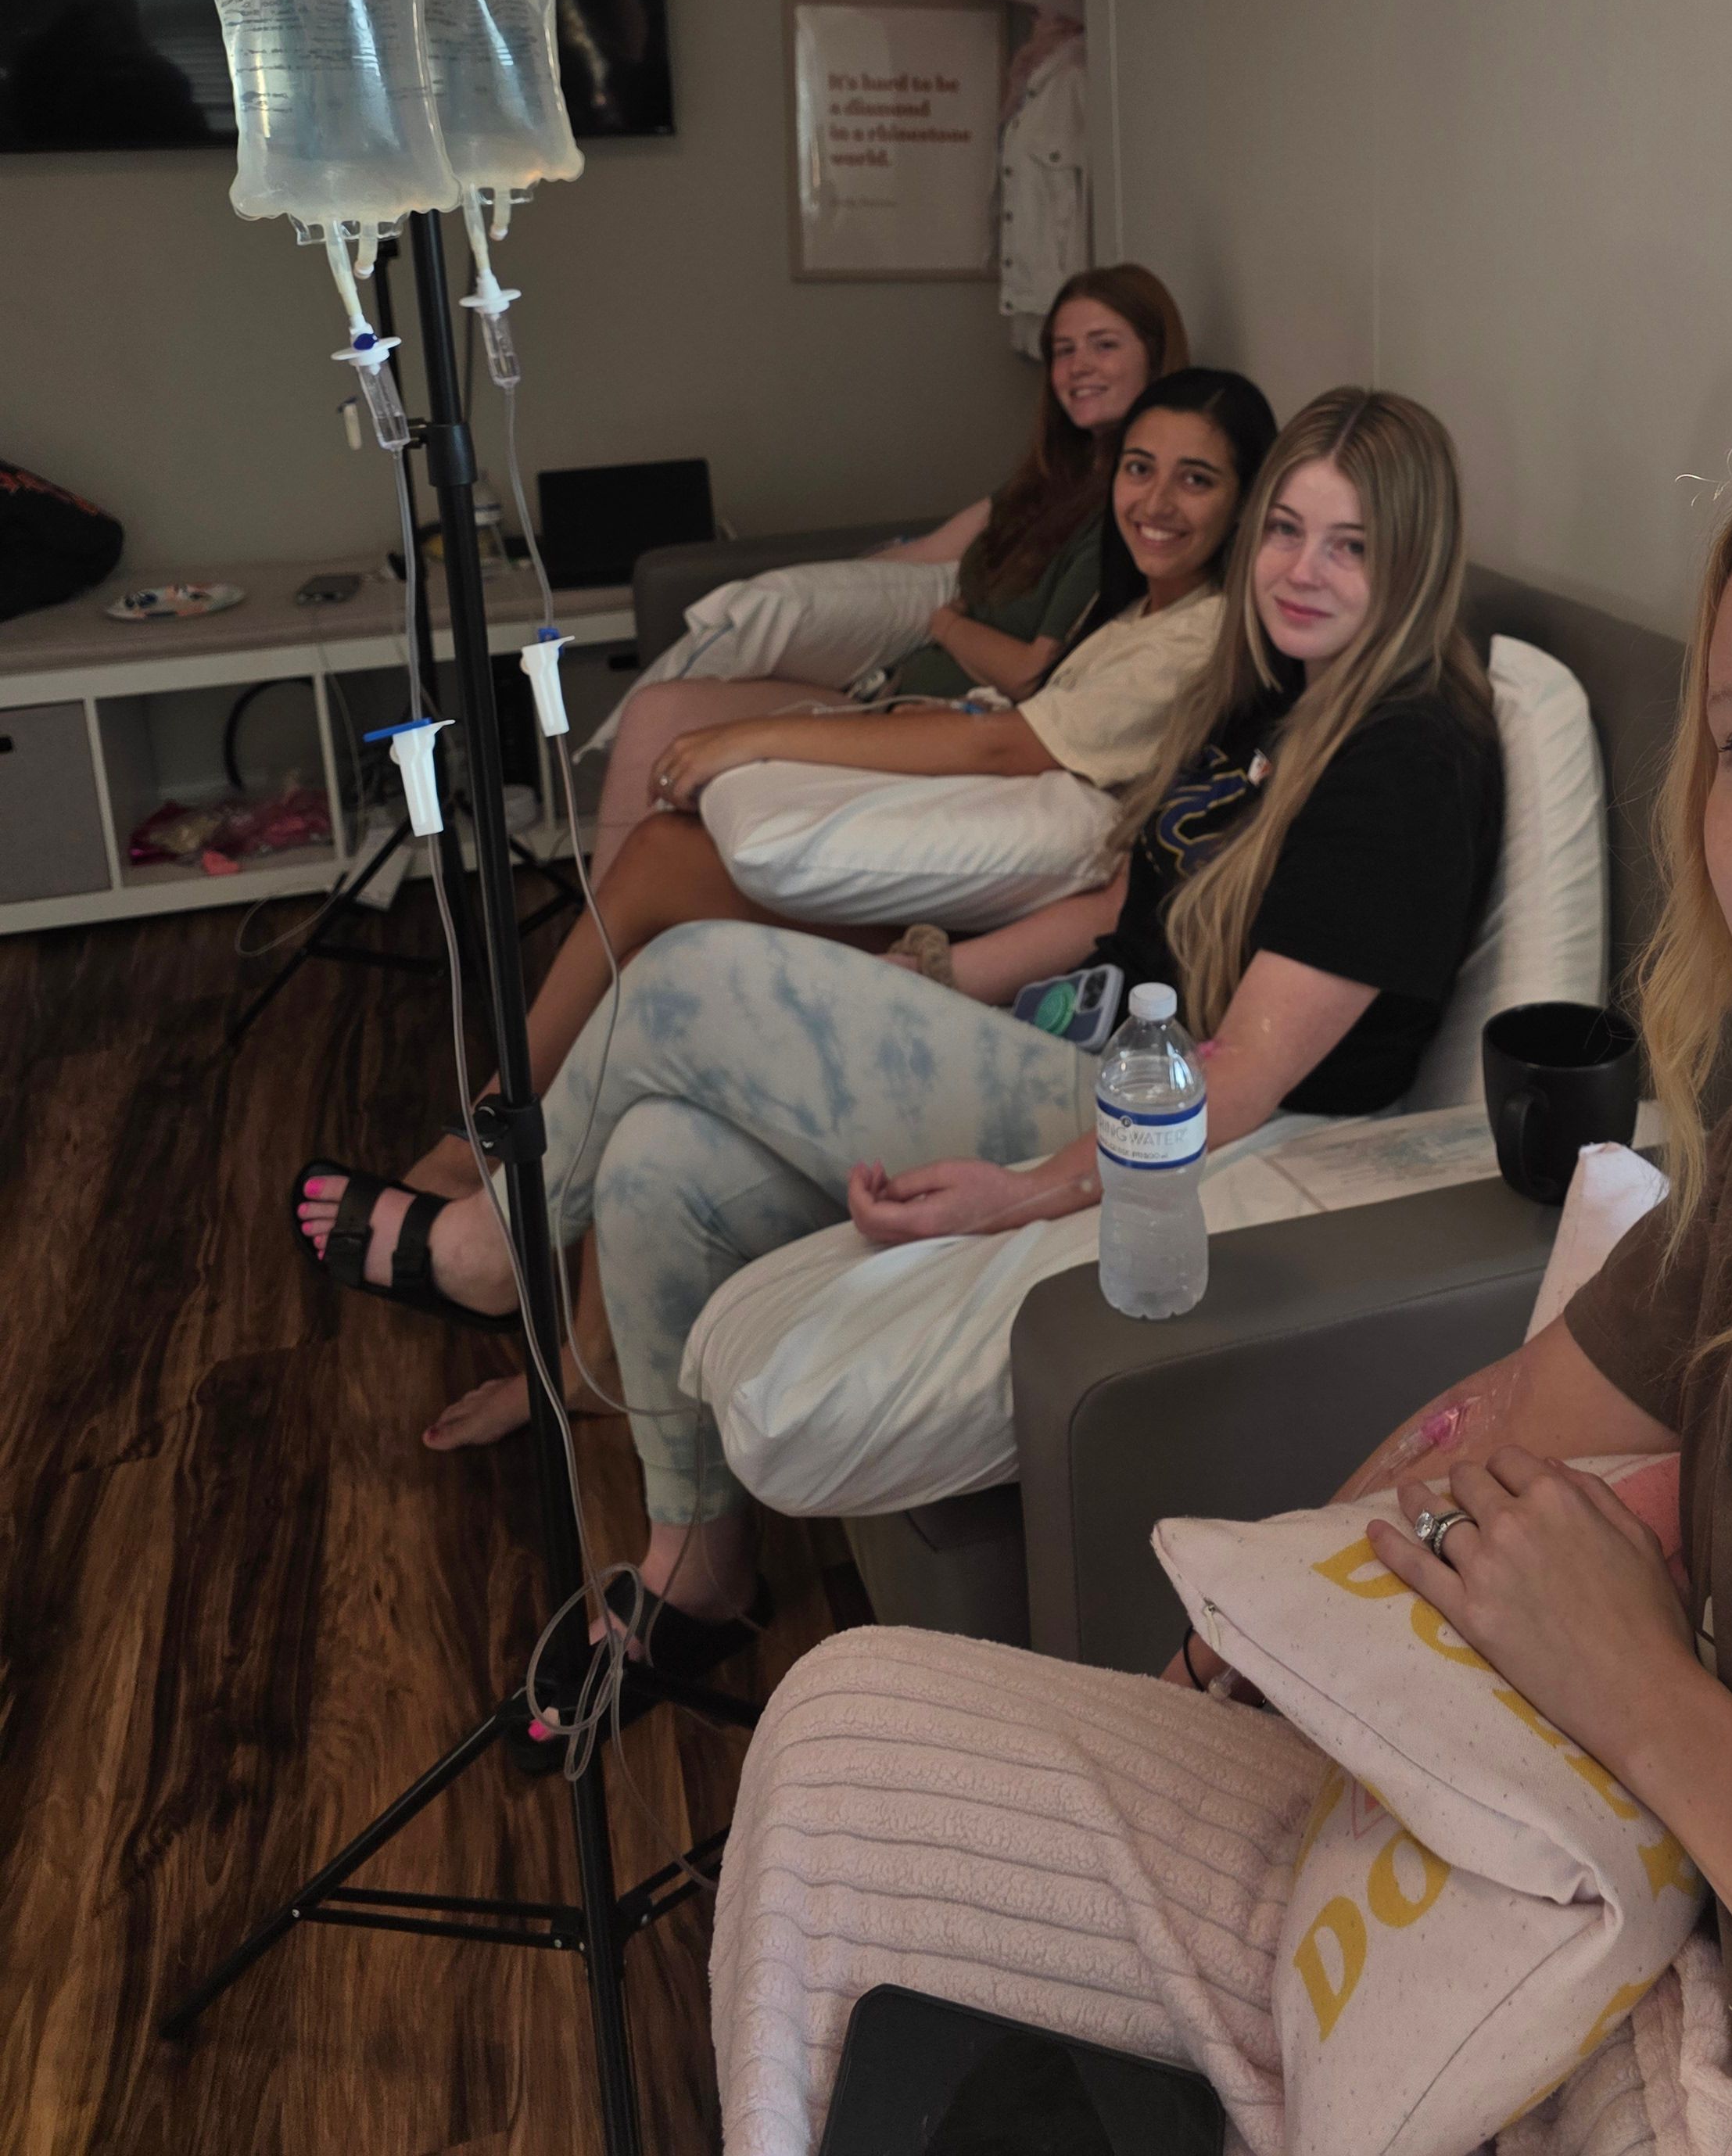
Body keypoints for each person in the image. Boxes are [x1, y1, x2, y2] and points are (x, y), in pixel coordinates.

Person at [701, 394, 1732, 2156]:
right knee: (852, 1728)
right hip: (1606, 1888)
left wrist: (1654, 1701)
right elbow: (1524, 1429)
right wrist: (1280, 1625)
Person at [296, 389, 1501, 1677]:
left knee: (693, 971)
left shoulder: (1407, 757)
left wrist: (1028, 1190)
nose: (1301, 571)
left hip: (1186, 1129)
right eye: (1287, 532)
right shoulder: (1272, 692)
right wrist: (939, 981)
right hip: (1093, 1042)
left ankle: (500, 1248)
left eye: (1351, 544)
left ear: (1415, 557)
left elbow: (1249, 1073)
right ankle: (694, 1566)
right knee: (658, 1161)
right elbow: (1117, 910)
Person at [296, 364, 1275, 1451]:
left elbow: (1015, 750)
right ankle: (547, 1272)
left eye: (1198, 481)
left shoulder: (1206, 640)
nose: (1157, 502)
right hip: (1021, 914)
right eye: (1142, 470)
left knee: (669, 882)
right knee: (663, 893)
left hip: (1039, 967)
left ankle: (499, 1186)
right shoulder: (1137, 604)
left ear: (1244, 504)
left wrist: (763, 741)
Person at [589, 264, 1186, 877]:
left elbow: (1030, 674)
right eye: (1064, 350)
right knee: (657, 711)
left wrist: (946, 625)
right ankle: (608, 928)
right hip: (885, 688)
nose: (1079, 366)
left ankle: (620, 929)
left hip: (932, 719)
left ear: (1156, 354)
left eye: (1104, 345)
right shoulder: (1046, 482)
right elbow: (931, 551)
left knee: (685, 786)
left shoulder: (1132, 511)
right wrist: (848, 587)